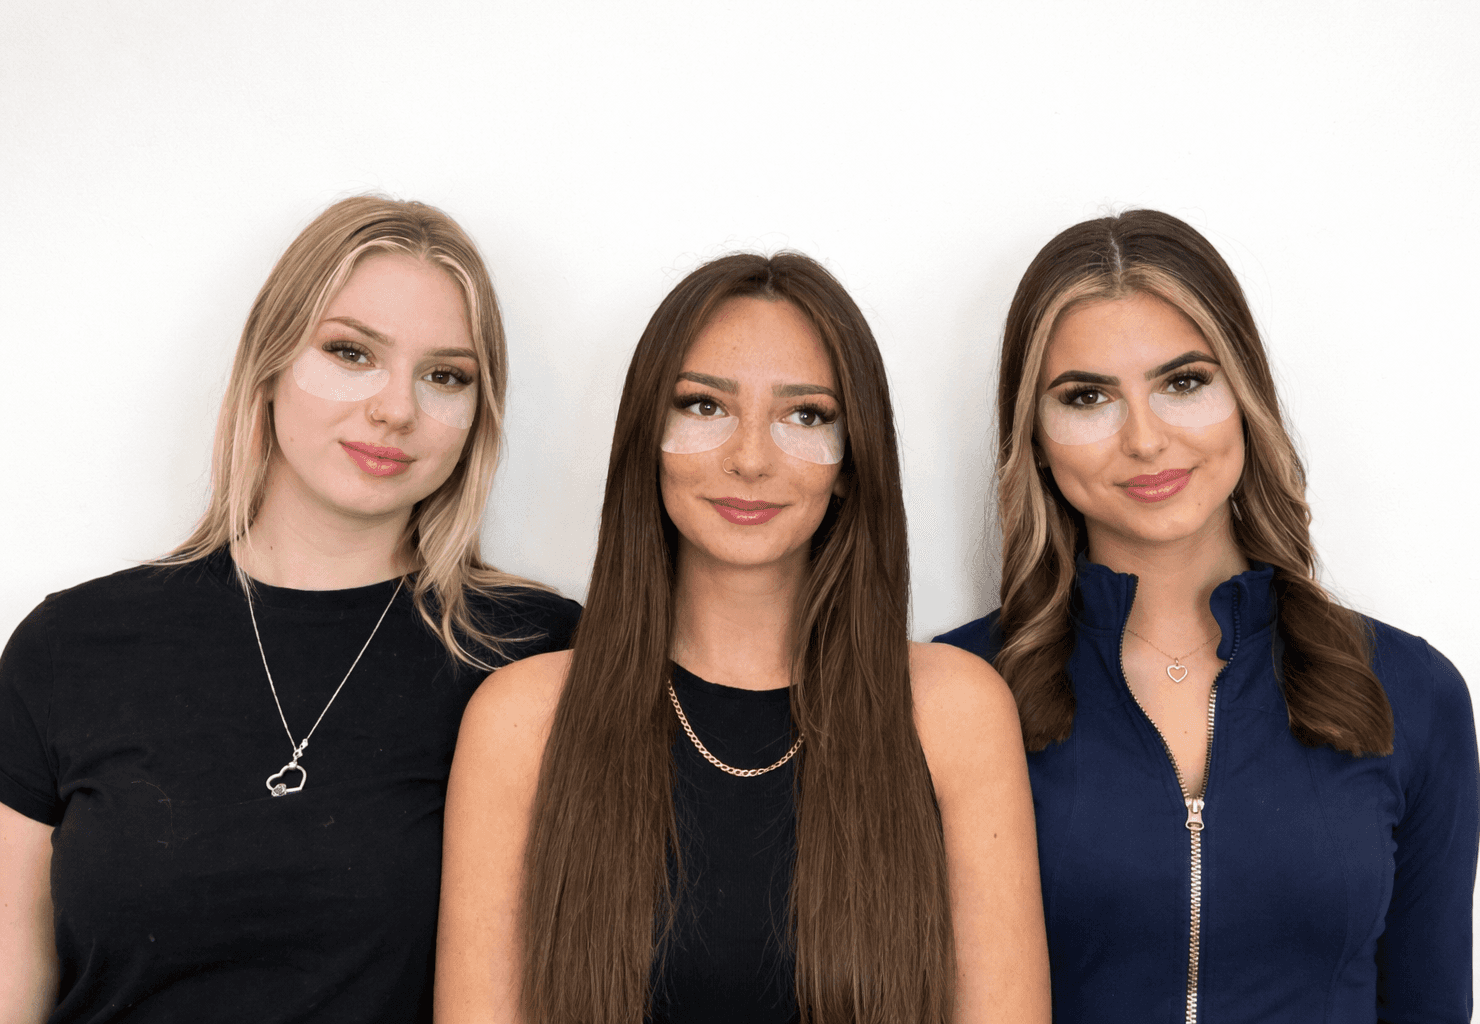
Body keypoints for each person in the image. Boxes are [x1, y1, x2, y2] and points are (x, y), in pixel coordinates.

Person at [0, 196, 580, 1023]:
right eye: (351, 353)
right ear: (269, 363)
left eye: (445, 375)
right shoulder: (71, 647)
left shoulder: (534, 656)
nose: (396, 409)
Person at [436, 252, 1050, 1023]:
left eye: (806, 415)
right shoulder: (520, 721)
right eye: (703, 407)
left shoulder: (955, 712)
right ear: (644, 440)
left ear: (853, 462)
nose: (751, 457)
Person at [934, 209, 1479, 1023]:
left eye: (1183, 382)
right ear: (1035, 437)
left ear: (1245, 395)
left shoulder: (1411, 691)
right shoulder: (956, 696)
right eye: (1087, 397)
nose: (1146, 440)